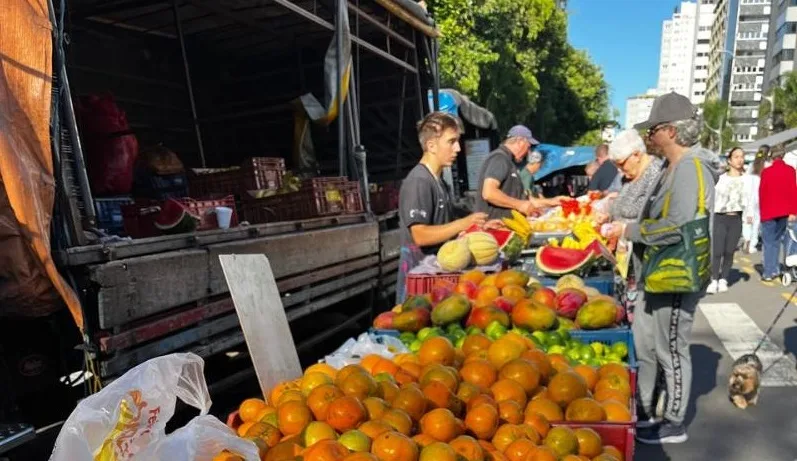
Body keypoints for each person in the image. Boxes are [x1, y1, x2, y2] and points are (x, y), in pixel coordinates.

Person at [604, 92, 719, 444]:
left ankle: (675, 422)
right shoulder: (674, 167)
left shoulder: (691, 167)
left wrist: (630, 230)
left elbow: (681, 225)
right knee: (654, 344)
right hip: (660, 272)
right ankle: (654, 411)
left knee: (671, 345)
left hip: (676, 275)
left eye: (652, 131)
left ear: (670, 131)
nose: (649, 138)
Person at [396, 112, 488, 303]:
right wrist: (464, 223)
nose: (458, 148)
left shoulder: (439, 181)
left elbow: (448, 222)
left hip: (436, 278)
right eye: (451, 141)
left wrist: (478, 223)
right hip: (420, 285)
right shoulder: (419, 181)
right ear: (431, 145)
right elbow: (420, 235)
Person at [474, 125, 565, 220]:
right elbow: (489, 193)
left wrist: (552, 201)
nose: (528, 152)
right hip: (492, 229)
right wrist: (519, 205)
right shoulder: (499, 158)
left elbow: (525, 201)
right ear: (520, 142)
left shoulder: (510, 162)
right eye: (528, 146)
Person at [707, 147, 749, 294]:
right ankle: (713, 279)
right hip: (720, 217)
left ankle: (724, 278)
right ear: (729, 160)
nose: (740, 159)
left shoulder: (747, 179)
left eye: (742, 156)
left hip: (736, 218)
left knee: (729, 251)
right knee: (717, 250)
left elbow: (752, 201)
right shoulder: (720, 178)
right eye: (736, 157)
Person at [758, 145, 797, 281]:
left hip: (769, 211)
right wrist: (793, 211)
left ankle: (769, 271)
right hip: (785, 211)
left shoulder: (766, 172)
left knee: (769, 242)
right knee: (781, 241)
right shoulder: (790, 170)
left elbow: (762, 193)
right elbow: (793, 191)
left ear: (772, 156)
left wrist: (761, 212)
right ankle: (780, 268)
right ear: (783, 155)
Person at [742, 153, 765, 253]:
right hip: (758, 201)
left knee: (747, 221)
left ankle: (746, 238)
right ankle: (752, 245)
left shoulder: (748, 175)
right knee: (756, 223)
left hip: (747, 200)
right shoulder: (761, 176)